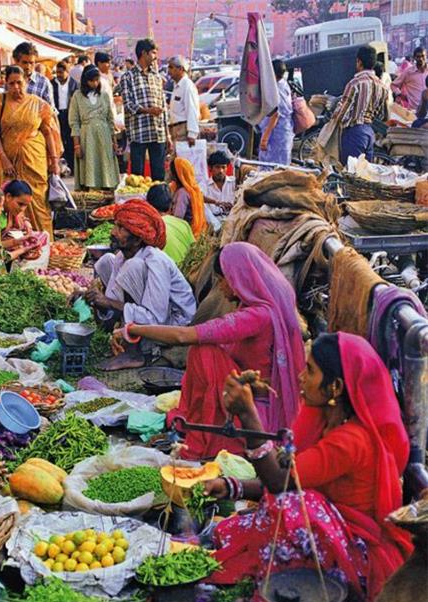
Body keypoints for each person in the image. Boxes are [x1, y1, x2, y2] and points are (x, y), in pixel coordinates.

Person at [204, 332, 412, 602]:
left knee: (298, 505)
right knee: (270, 511)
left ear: (336, 388)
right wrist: (231, 485)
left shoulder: (352, 439)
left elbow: (281, 484)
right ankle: (288, 585)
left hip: (359, 560)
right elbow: (285, 478)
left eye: (311, 371)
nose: (301, 377)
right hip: (335, 537)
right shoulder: (325, 424)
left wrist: (249, 415)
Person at [113, 242, 304, 458]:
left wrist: (132, 328)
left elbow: (183, 336)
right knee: (206, 351)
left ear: (239, 278)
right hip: (251, 400)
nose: (221, 287)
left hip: (254, 416)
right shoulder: (261, 310)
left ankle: (203, 429)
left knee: (204, 353)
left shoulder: (258, 316)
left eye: (223, 280)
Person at [88, 198, 196, 370]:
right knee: (105, 261)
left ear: (138, 240)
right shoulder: (122, 256)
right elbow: (113, 299)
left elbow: (154, 317)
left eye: (121, 228)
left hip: (173, 323)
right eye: (115, 225)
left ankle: (134, 353)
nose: (113, 232)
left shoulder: (156, 260)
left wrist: (108, 302)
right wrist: (95, 300)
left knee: (132, 268)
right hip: (150, 313)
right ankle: (121, 337)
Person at [0, 66, 62, 237]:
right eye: (11, 84)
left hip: (34, 161)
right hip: (7, 163)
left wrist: (54, 161)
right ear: (5, 84)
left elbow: (48, 131)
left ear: (26, 82)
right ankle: (14, 248)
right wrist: (4, 158)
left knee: (38, 203)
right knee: (8, 205)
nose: (16, 88)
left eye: (19, 83)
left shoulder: (38, 103)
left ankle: (44, 245)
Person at [120, 38, 171, 180]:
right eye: (153, 53)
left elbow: (163, 107)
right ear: (144, 53)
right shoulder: (128, 77)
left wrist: (168, 135)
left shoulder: (156, 77)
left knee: (159, 175)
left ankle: (159, 201)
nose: (156, 57)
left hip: (158, 132)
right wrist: (148, 111)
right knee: (138, 176)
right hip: (138, 133)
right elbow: (128, 105)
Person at [331, 45, 389, 165]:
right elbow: (384, 116)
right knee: (364, 176)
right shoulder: (382, 87)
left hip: (354, 133)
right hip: (369, 133)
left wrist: (334, 115)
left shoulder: (355, 84)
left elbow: (342, 114)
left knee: (350, 174)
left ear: (359, 62)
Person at [68, 65, 120, 191]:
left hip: (104, 137)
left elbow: (110, 119)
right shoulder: (77, 96)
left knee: (106, 168)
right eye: (92, 80)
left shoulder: (104, 96)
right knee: (90, 167)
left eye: (97, 80)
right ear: (85, 81)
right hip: (87, 138)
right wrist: (77, 145)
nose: (95, 83)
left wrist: (114, 141)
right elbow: (74, 122)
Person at [146, 183, 195, 266]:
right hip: (186, 273)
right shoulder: (183, 224)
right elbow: (194, 251)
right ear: (171, 205)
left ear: (148, 206)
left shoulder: (149, 229)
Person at [259, 59, 294, 166]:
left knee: (271, 168)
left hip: (276, 135)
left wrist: (265, 138)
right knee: (282, 165)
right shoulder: (283, 84)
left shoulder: (276, 90)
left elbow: (275, 115)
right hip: (284, 132)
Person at [167, 55, 200, 147]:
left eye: (171, 67)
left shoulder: (187, 85)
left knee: (184, 159)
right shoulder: (177, 85)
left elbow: (192, 109)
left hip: (183, 130)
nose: (168, 71)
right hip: (176, 130)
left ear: (180, 69)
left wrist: (192, 134)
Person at [170, 156, 207, 237]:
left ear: (177, 174)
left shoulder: (182, 193)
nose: (169, 174)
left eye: (171, 172)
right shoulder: (193, 189)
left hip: (185, 233)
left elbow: (177, 218)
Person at [52, 59, 77, 173]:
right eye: (57, 72)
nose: (59, 75)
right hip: (57, 115)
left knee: (71, 141)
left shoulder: (74, 84)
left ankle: (72, 166)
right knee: (59, 140)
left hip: (70, 114)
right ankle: (61, 167)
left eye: (61, 72)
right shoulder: (52, 84)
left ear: (67, 72)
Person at [12, 41, 54, 108]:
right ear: (16, 61)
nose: (28, 66)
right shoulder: (9, 81)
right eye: (25, 62)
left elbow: (50, 110)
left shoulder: (43, 82)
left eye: (31, 63)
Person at [201, 150, 235, 221]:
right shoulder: (204, 185)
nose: (221, 171)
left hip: (232, 222)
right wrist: (216, 202)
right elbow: (198, 197)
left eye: (223, 167)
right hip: (212, 225)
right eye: (217, 167)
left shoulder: (234, 183)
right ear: (210, 168)